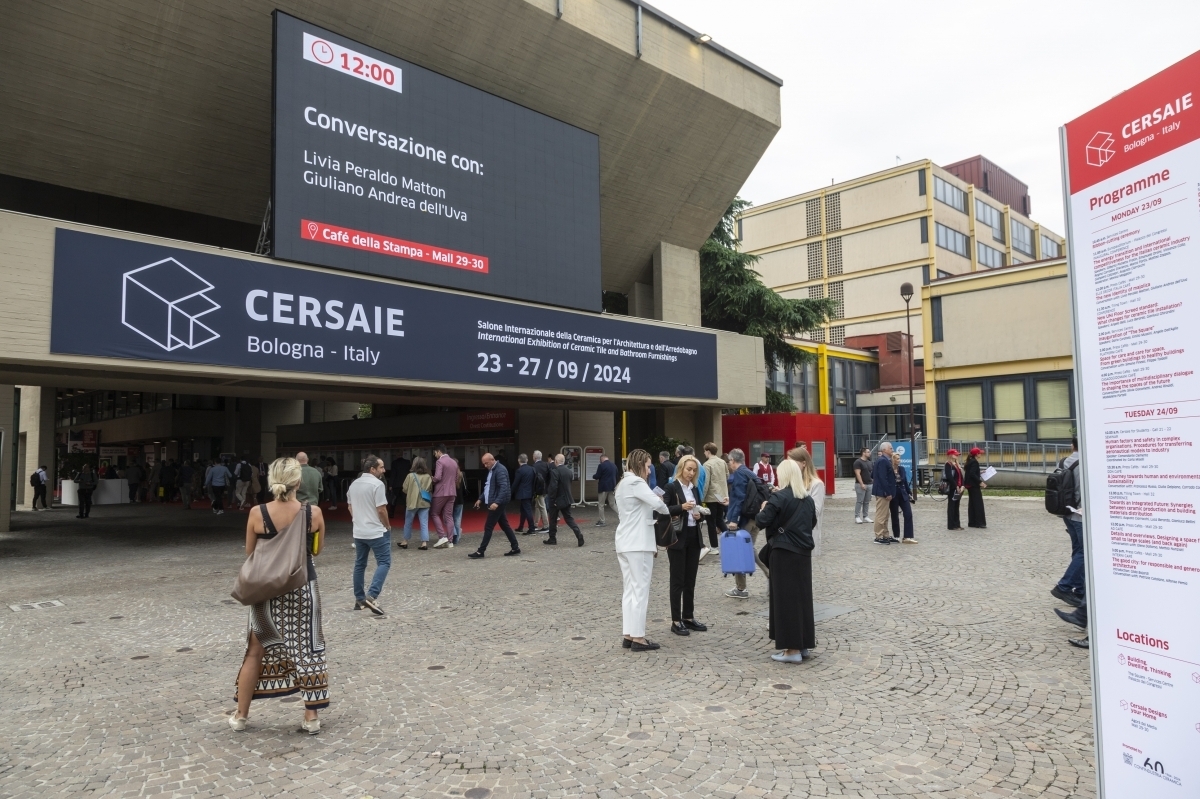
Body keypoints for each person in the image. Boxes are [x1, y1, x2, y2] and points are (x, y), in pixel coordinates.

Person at [230, 457, 329, 734]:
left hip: (265, 591)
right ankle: (311, 718)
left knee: (255, 650)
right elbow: (317, 550)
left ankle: (241, 716)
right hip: (302, 586)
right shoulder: (314, 513)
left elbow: (250, 553)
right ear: (298, 482)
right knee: (308, 648)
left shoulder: (256, 513)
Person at [755, 457, 818, 664]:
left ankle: (792, 651)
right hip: (803, 554)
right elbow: (812, 522)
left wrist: (764, 507)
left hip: (783, 553)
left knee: (785, 602)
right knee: (802, 600)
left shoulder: (778, 497)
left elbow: (761, 521)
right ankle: (803, 644)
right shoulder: (807, 499)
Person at [615, 449, 670, 651]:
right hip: (638, 543)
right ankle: (638, 637)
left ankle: (629, 633)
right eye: (647, 466)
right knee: (640, 590)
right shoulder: (636, 483)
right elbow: (659, 504)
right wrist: (663, 504)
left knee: (630, 589)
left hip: (625, 542)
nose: (649, 471)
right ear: (640, 464)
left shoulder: (622, 483)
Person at [657, 454, 708, 637]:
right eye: (688, 469)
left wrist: (699, 514)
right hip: (678, 538)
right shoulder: (671, 486)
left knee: (690, 580)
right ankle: (675, 620)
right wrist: (682, 507)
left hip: (694, 536)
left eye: (694, 470)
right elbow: (663, 510)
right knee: (677, 580)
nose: (691, 472)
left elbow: (699, 508)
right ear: (681, 468)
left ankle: (688, 616)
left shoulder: (694, 488)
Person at [348, 455, 391, 614]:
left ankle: (359, 599)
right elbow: (381, 509)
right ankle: (371, 595)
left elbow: (350, 507)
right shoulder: (377, 484)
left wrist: (358, 520)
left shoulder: (353, 484)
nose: (384, 470)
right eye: (381, 467)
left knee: (360, 564)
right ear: (372, 469)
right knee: (384, 562)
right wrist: (387, 525)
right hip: (376, 531)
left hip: (359, 531)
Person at [725, 448, 762, 598]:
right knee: (749, 550)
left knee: (739, 552)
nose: (729, 464)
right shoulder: (751, 472)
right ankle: (769, 575)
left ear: (733, 461)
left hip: (745, 520)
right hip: (756, 519)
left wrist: (733, 520)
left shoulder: (739, 474)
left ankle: (741, 589)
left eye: (729, 461)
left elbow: (740, 498)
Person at [1051, 439, 1085, 607]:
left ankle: (1080, 591)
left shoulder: (1064, 461)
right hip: (1081, 515)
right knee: (1085, 553)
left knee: (1078, 551)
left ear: (1073, 446)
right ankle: (1064, 587)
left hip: (1067, 513)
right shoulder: (1086, 463)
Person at [468, 452, 520, 558]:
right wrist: (480, 499)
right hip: (497, 501)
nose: (485, 465)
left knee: (488, 526)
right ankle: (515, 547)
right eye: (484, 464)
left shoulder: (500, 470)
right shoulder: (493, 470)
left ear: (492, 460)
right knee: (505, 525)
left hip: (497, 502)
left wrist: (497, 502)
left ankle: (481, 551)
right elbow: (488, 487)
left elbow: (503, 488)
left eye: (486, 463)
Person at [788, 446, 826, 557]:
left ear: (803, 463)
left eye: (793, 464)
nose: (790, 468)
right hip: (790, 536)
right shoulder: (790, 483)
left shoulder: (816, 484)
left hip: (806, 535)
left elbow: (814, 513)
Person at [699, 442, 729, 561]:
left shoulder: (707, 464)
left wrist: (702, 497)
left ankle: (714, 546)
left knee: (711, 522)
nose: (704, 453)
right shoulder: (722, 462)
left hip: (711, 496)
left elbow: (706, 482)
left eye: (704, 451)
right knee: (719, 519)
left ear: (708, 451)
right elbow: (727, 475)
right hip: (721, 495)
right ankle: (730, 540)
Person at [546, 453, 583, 546]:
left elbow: (554, 487)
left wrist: (552, 499)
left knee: (553, 518)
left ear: (556, 461)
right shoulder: (569, 471)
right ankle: (578, 533)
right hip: (567, 498)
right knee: (568, 518)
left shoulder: (555, 471)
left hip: (557, 499)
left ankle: (552, 538)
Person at [400, 457, 432, 550]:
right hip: (424, 502)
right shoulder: (428, 476)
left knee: (408, 522)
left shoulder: (410, 476)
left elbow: (405, 489)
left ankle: (405, 541)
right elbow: (430, 489)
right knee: (424, 523)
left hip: (412, 502)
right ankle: (424, 543)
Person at [430, 444, 458, 548]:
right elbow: (455, 478)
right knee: (449, 516)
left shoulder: (440, 462)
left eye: (435, 453)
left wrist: (432, 479)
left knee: (434, 513)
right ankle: (450, 541)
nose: (435, 455)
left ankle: (442, 537)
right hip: (452, 492)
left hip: (441, 492)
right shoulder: (454, 462)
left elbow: (437, 477)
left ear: (438, 451)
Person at [870, 442, 896, 543]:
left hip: (883, 491)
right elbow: (882, 478)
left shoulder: (885, 460)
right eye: (890, 448)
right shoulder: (882, 461)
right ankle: (878, 536)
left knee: (885, 515)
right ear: (884, 450)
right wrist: (887, 492)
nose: (892, 449)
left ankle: (885, 534)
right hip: (882, 492)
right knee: (881, 515)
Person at [888, 452, 916, 543]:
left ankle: (908, 536)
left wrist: (909, 493)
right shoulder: (889, 469)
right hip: (894, 494)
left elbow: (905, 482)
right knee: (895, 515)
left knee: (908, 514)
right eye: (897, 458)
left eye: (899, 458)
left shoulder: (902, 469)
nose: (899, 460)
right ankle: (896, 536)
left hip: (903, 493)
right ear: (893, 459)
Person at [592, 454, 619, 527]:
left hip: (603, 487)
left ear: (601, 459)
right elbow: (617, 476)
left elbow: (597, 476)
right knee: (612, 504)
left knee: (601, 505)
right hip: (612, 487)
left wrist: (593, 476)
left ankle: (602, 521)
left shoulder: (601, 466)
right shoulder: (614, 465)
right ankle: (622, 516)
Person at [512, 454, 536, 532]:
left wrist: (510, 492)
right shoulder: (532, 469)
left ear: (519, 460)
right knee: (523, 510)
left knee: (527, 510)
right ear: (527, 460)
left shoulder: (519, 470)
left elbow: (516, 483)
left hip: (523, 493)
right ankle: (521, 526)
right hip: (530, 492)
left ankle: (531, 528)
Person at [965, 447, 987, 528]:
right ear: (977, 454)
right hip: (974, 485)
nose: (981, 454)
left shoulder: (970, 461)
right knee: (978, 503)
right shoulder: (975, 462)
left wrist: (980, 472)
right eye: (980, 453)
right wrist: (980, 482)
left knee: (972, 503)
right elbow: (972, 474)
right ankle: (979, 522)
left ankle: (972, 522)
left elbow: (971, 472)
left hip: (970, 485)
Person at [943, 449, 965, 530]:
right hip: (953, 488)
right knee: (952, 506)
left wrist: (962, 485)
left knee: (957, 506)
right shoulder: (948, 464)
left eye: (957, 454)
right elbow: (949, 477)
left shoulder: (957, 465)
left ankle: (957, 524)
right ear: (950, 455)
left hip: (959, 487)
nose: (957, 456)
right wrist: (956, 486)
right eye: (955, 454)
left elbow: (960, 476)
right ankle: (951, 525)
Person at [531, 450, 551, 533]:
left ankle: (546, 526)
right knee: (538, 506)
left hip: (538, 491)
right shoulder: (546, 465)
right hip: (545, 489)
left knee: (541, 506)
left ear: (534, 457)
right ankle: (535, 524)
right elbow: (550, 477)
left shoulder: (533, 466)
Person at [852, 447, 873, 525]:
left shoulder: (869, 462)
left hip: (869, 484)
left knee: (867, 501)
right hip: (860, 484)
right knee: (860, 501)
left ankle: (865, 516)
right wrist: (861, 484)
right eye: (868, 452)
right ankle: (857, 516)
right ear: (863, 453)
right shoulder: (858, 462)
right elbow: (858, 473)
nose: (869, 453)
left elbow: (871, 473)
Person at [387, 452, 411, 518]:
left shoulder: (394, 463)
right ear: (402, 455)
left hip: (396, 484)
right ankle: (406, 515)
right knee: (406, 501)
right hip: (405, 484)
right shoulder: (407, 462)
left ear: (396, 455)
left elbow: (393, 474)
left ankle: (391, 514)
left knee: (393, 500)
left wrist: (390, 485)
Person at [452, 463, 466, 545]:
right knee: (457, 519)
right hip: (460, 499)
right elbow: (465, 488)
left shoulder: (449, 475)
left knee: (448, 518)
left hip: (451, 499)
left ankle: (454, 534)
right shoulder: (462, 474)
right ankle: (456, 537)